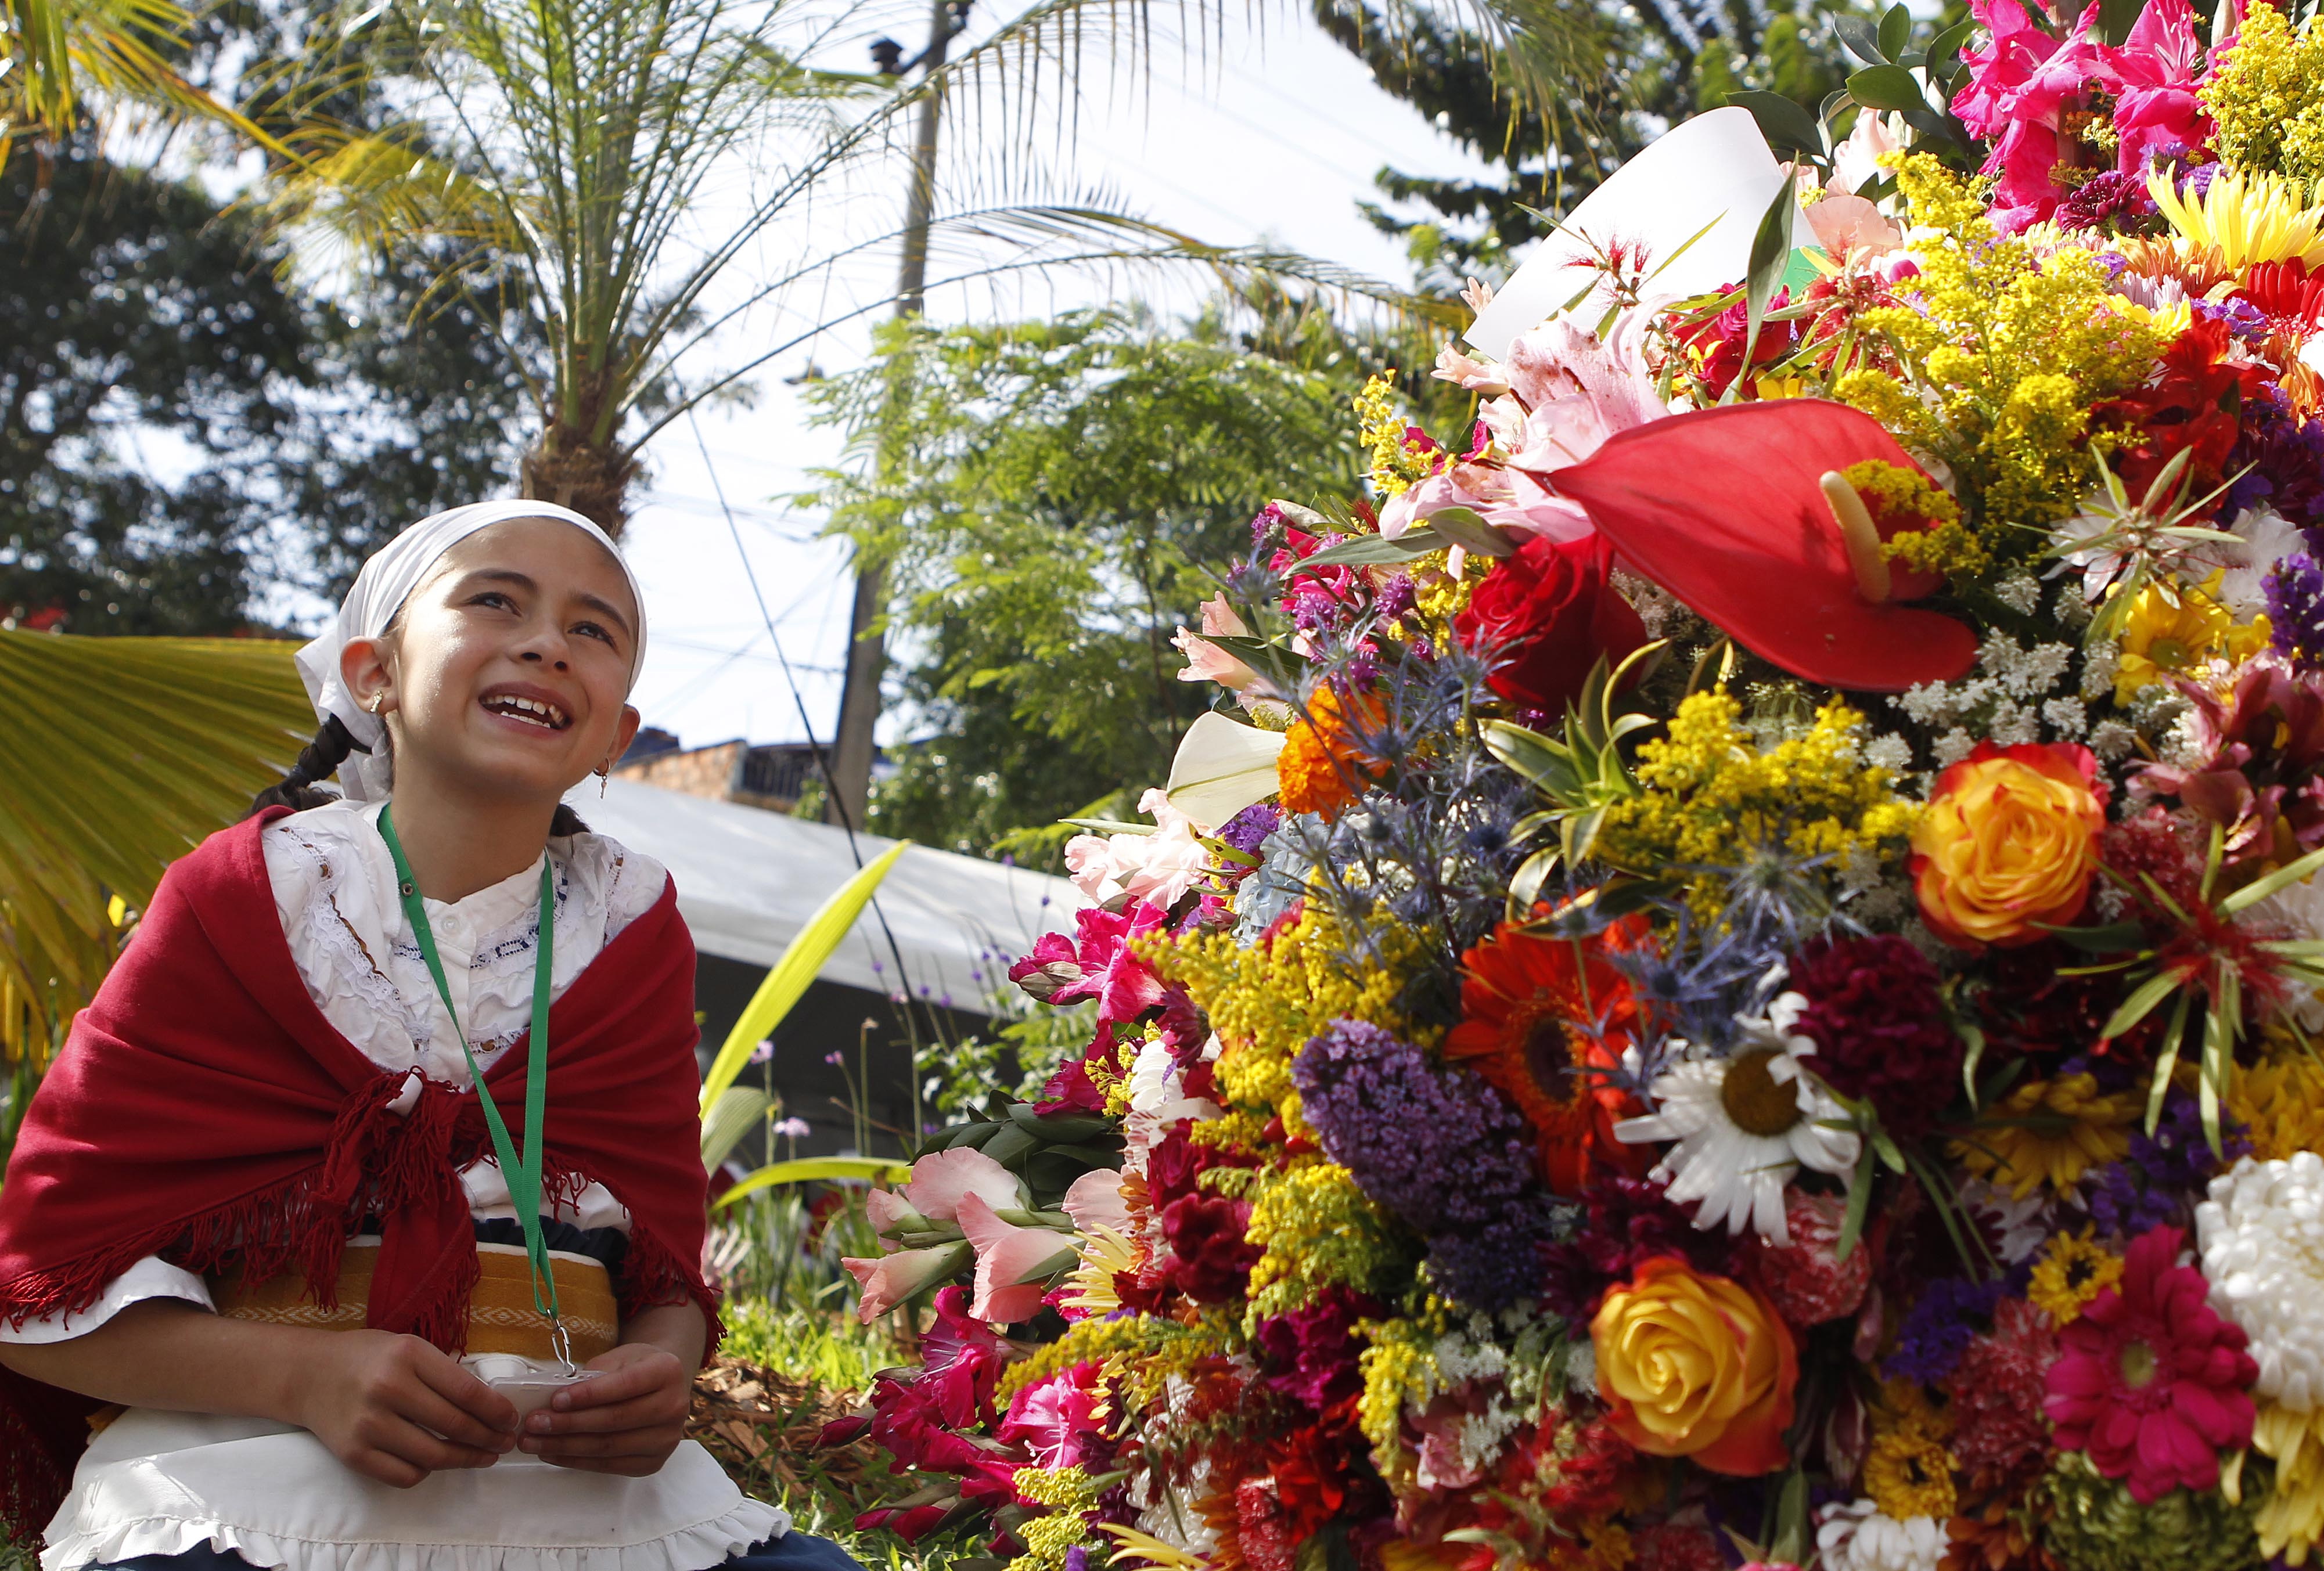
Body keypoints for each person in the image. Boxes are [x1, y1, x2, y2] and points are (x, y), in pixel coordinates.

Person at [0, 503, 862, 1571]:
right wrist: (301, 1377)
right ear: (374, 673)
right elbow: (40, 1280)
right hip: (244, 1475)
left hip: (582, 1500)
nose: (547, 640)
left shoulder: (633, 926)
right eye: (495, 600)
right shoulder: (239, 900)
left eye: (593, 630)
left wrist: (657, 1372)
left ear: (614, 736)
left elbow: (664, 1269)